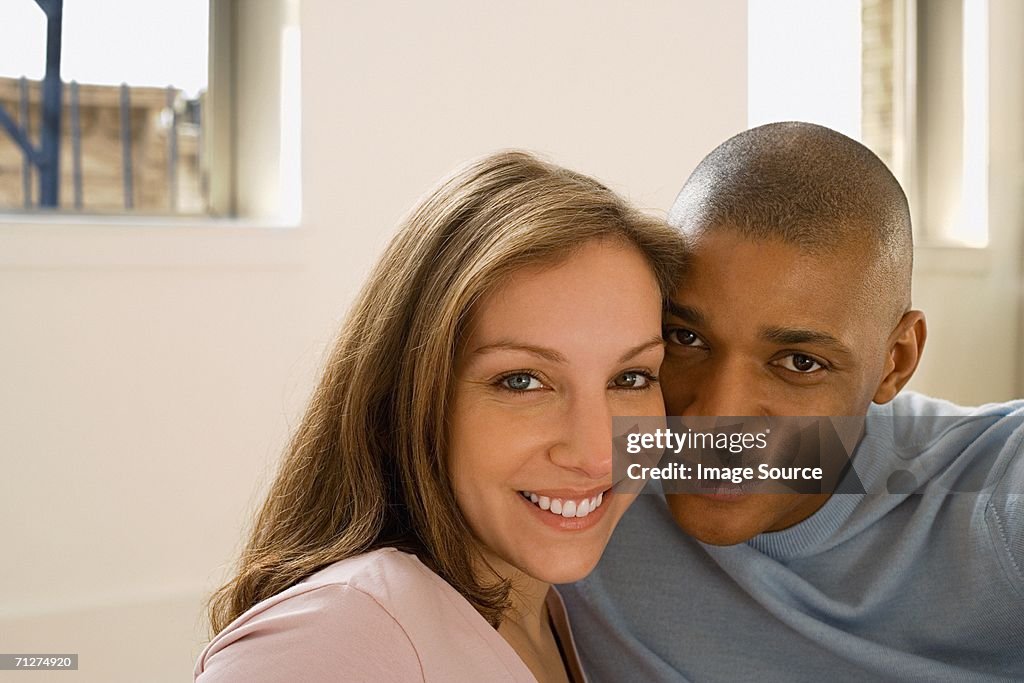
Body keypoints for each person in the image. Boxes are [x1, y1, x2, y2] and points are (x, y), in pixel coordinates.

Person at [194, 151, 687, 682]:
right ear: (408, 394)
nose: (597, 454)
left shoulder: (559, 609)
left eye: (630, 378)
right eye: (522, 381)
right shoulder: (335, 638)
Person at [559, 122, 1024, 682]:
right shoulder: (579, 490)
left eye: (800, 362)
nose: (714, 418)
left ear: (895, 360)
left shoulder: (993, 496)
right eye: (687, 339)